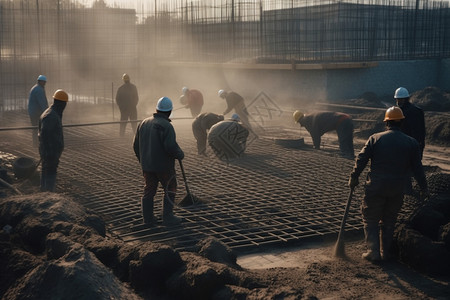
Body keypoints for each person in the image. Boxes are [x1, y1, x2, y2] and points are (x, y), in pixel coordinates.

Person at [348, 106, 428, 262]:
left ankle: (373, 252)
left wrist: (354, 177)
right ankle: (386, 252)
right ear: (402, 123)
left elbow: (361, 159)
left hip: (376, 186)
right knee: (389, 220)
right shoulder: (411, 143)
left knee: (370, 218)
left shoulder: (375, 138)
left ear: (387, 122)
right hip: (397, 188)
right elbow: (418, 169)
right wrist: (424, 188)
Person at [133, 96, 184, 226]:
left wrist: (143, 161)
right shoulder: (167, 126)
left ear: (157, 109)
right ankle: (168, 217)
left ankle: (148, 219)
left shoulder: (143, 123)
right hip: (164, 167)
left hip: (147, 166)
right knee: (170, 188)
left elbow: (135, 145)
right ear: (169, 111)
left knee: (149, 190)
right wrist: (179, 154)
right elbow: (170, 146)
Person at [38, 89, 69, 192]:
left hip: (50, 151)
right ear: (61, 103)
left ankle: (44, 191)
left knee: (47, 170)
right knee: (50, 171)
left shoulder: (53, 113)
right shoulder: (51, 116)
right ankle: (48, 193)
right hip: (50, 152)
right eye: (64, 103)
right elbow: (45, 134)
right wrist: (50, 152)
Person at [394, 87, 425, 159]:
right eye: (398, 99)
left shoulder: (413, 111)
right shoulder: (399, 111)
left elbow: (418, 131)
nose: (399, 101)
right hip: (408, 144)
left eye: (401, 99)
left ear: (406, 99)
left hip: (410, 144)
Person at [28, 75, 49, 147]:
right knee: (38, 128)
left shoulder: (35, 88)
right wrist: (47, 112)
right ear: (40, 81)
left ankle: (35, 143)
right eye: (44, 82)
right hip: (36, 113)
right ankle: (38, 143)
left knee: (35, 128)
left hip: (33, 112)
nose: (44, 83)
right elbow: (42, 102)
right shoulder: (39, 90)